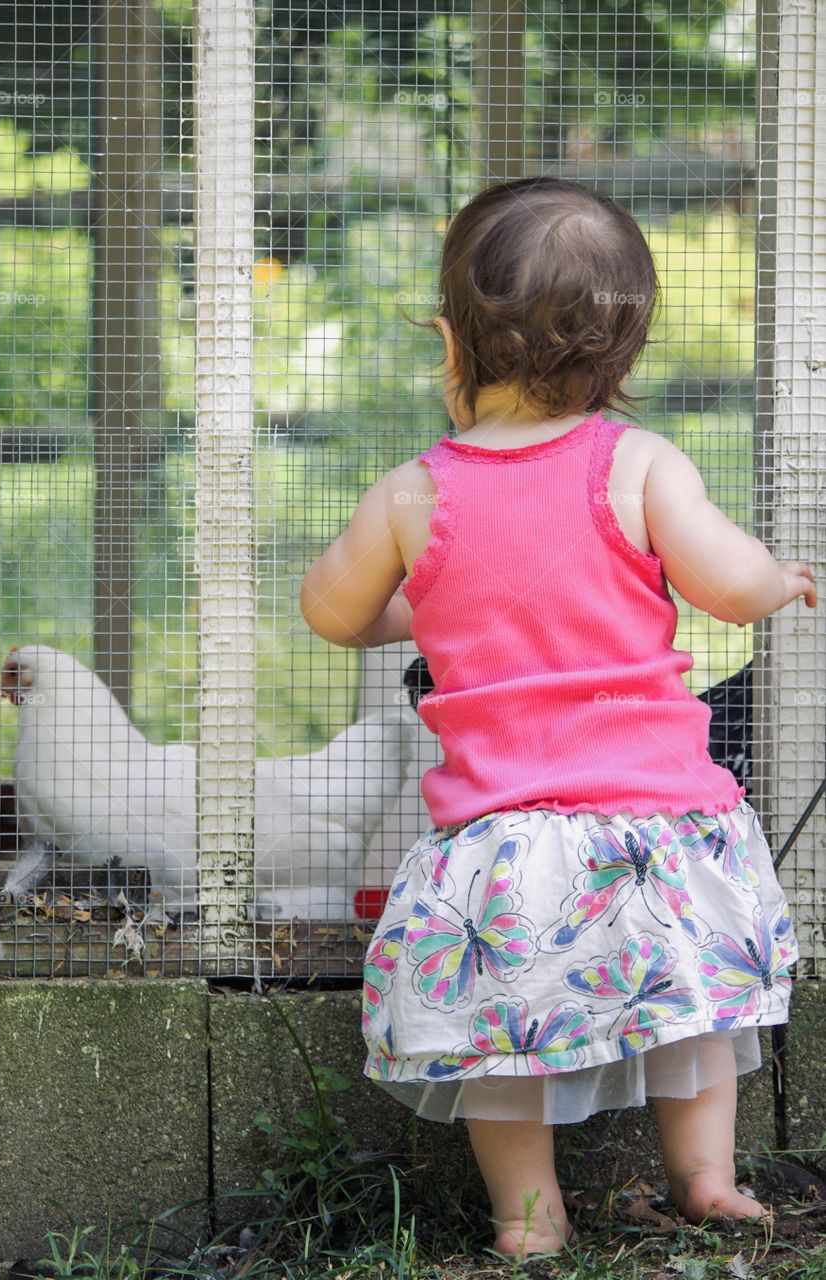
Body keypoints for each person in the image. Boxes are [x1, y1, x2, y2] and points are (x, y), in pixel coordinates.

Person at [299, 176, 815, 1260]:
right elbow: (726, 584)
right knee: (693, 1005)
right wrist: (784, 577)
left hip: (507, 840)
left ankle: (528, 1218)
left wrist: (429, 593)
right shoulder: (639, 464)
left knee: (498, 1037)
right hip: (658, 825)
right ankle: (708, 1176)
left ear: (450, 344)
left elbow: (334, 612)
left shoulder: (414, 493)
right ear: (624, 350)